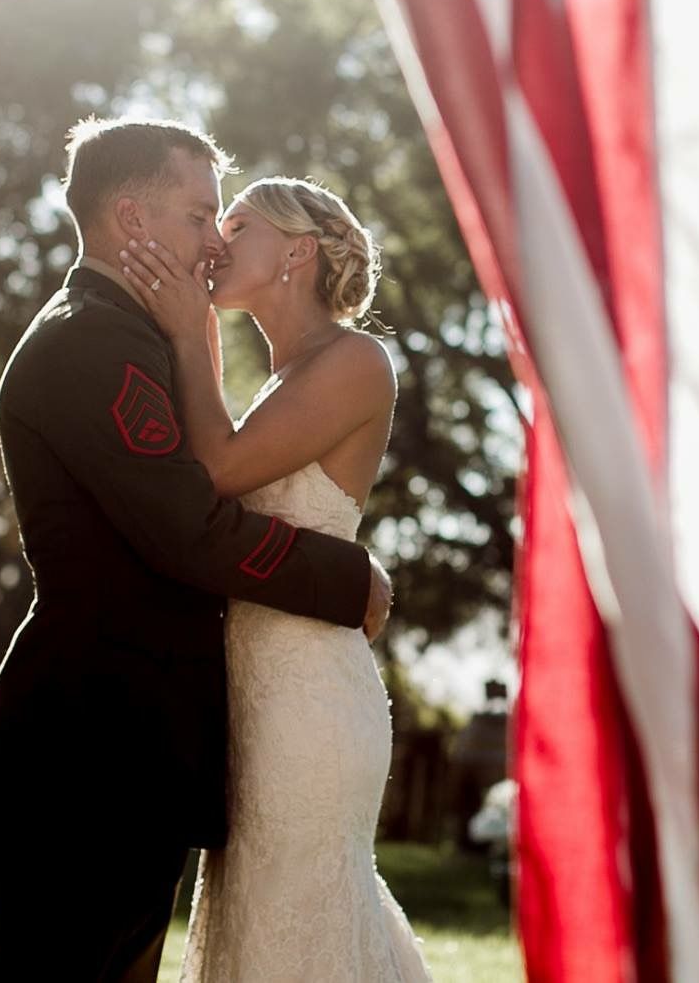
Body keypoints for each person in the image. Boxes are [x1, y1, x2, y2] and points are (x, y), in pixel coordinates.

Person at [0, 118, 394, 982]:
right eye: (198, 216)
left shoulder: (136, 337)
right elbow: (191, 526)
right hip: (92, 736)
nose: (211, 244)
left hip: (135, 735)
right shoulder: (95, 342)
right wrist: (350, 576)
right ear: (130, 218)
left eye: (226, 221)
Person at [117, 173, 432, 982]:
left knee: (300, 921)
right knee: (254, 925)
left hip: (311, 704)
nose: (217, 240)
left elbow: (216, 470)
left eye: (240, 223)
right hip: (248, 695)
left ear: (297, 252)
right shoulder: (280, 381)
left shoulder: (357, 360)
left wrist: (192, 333)